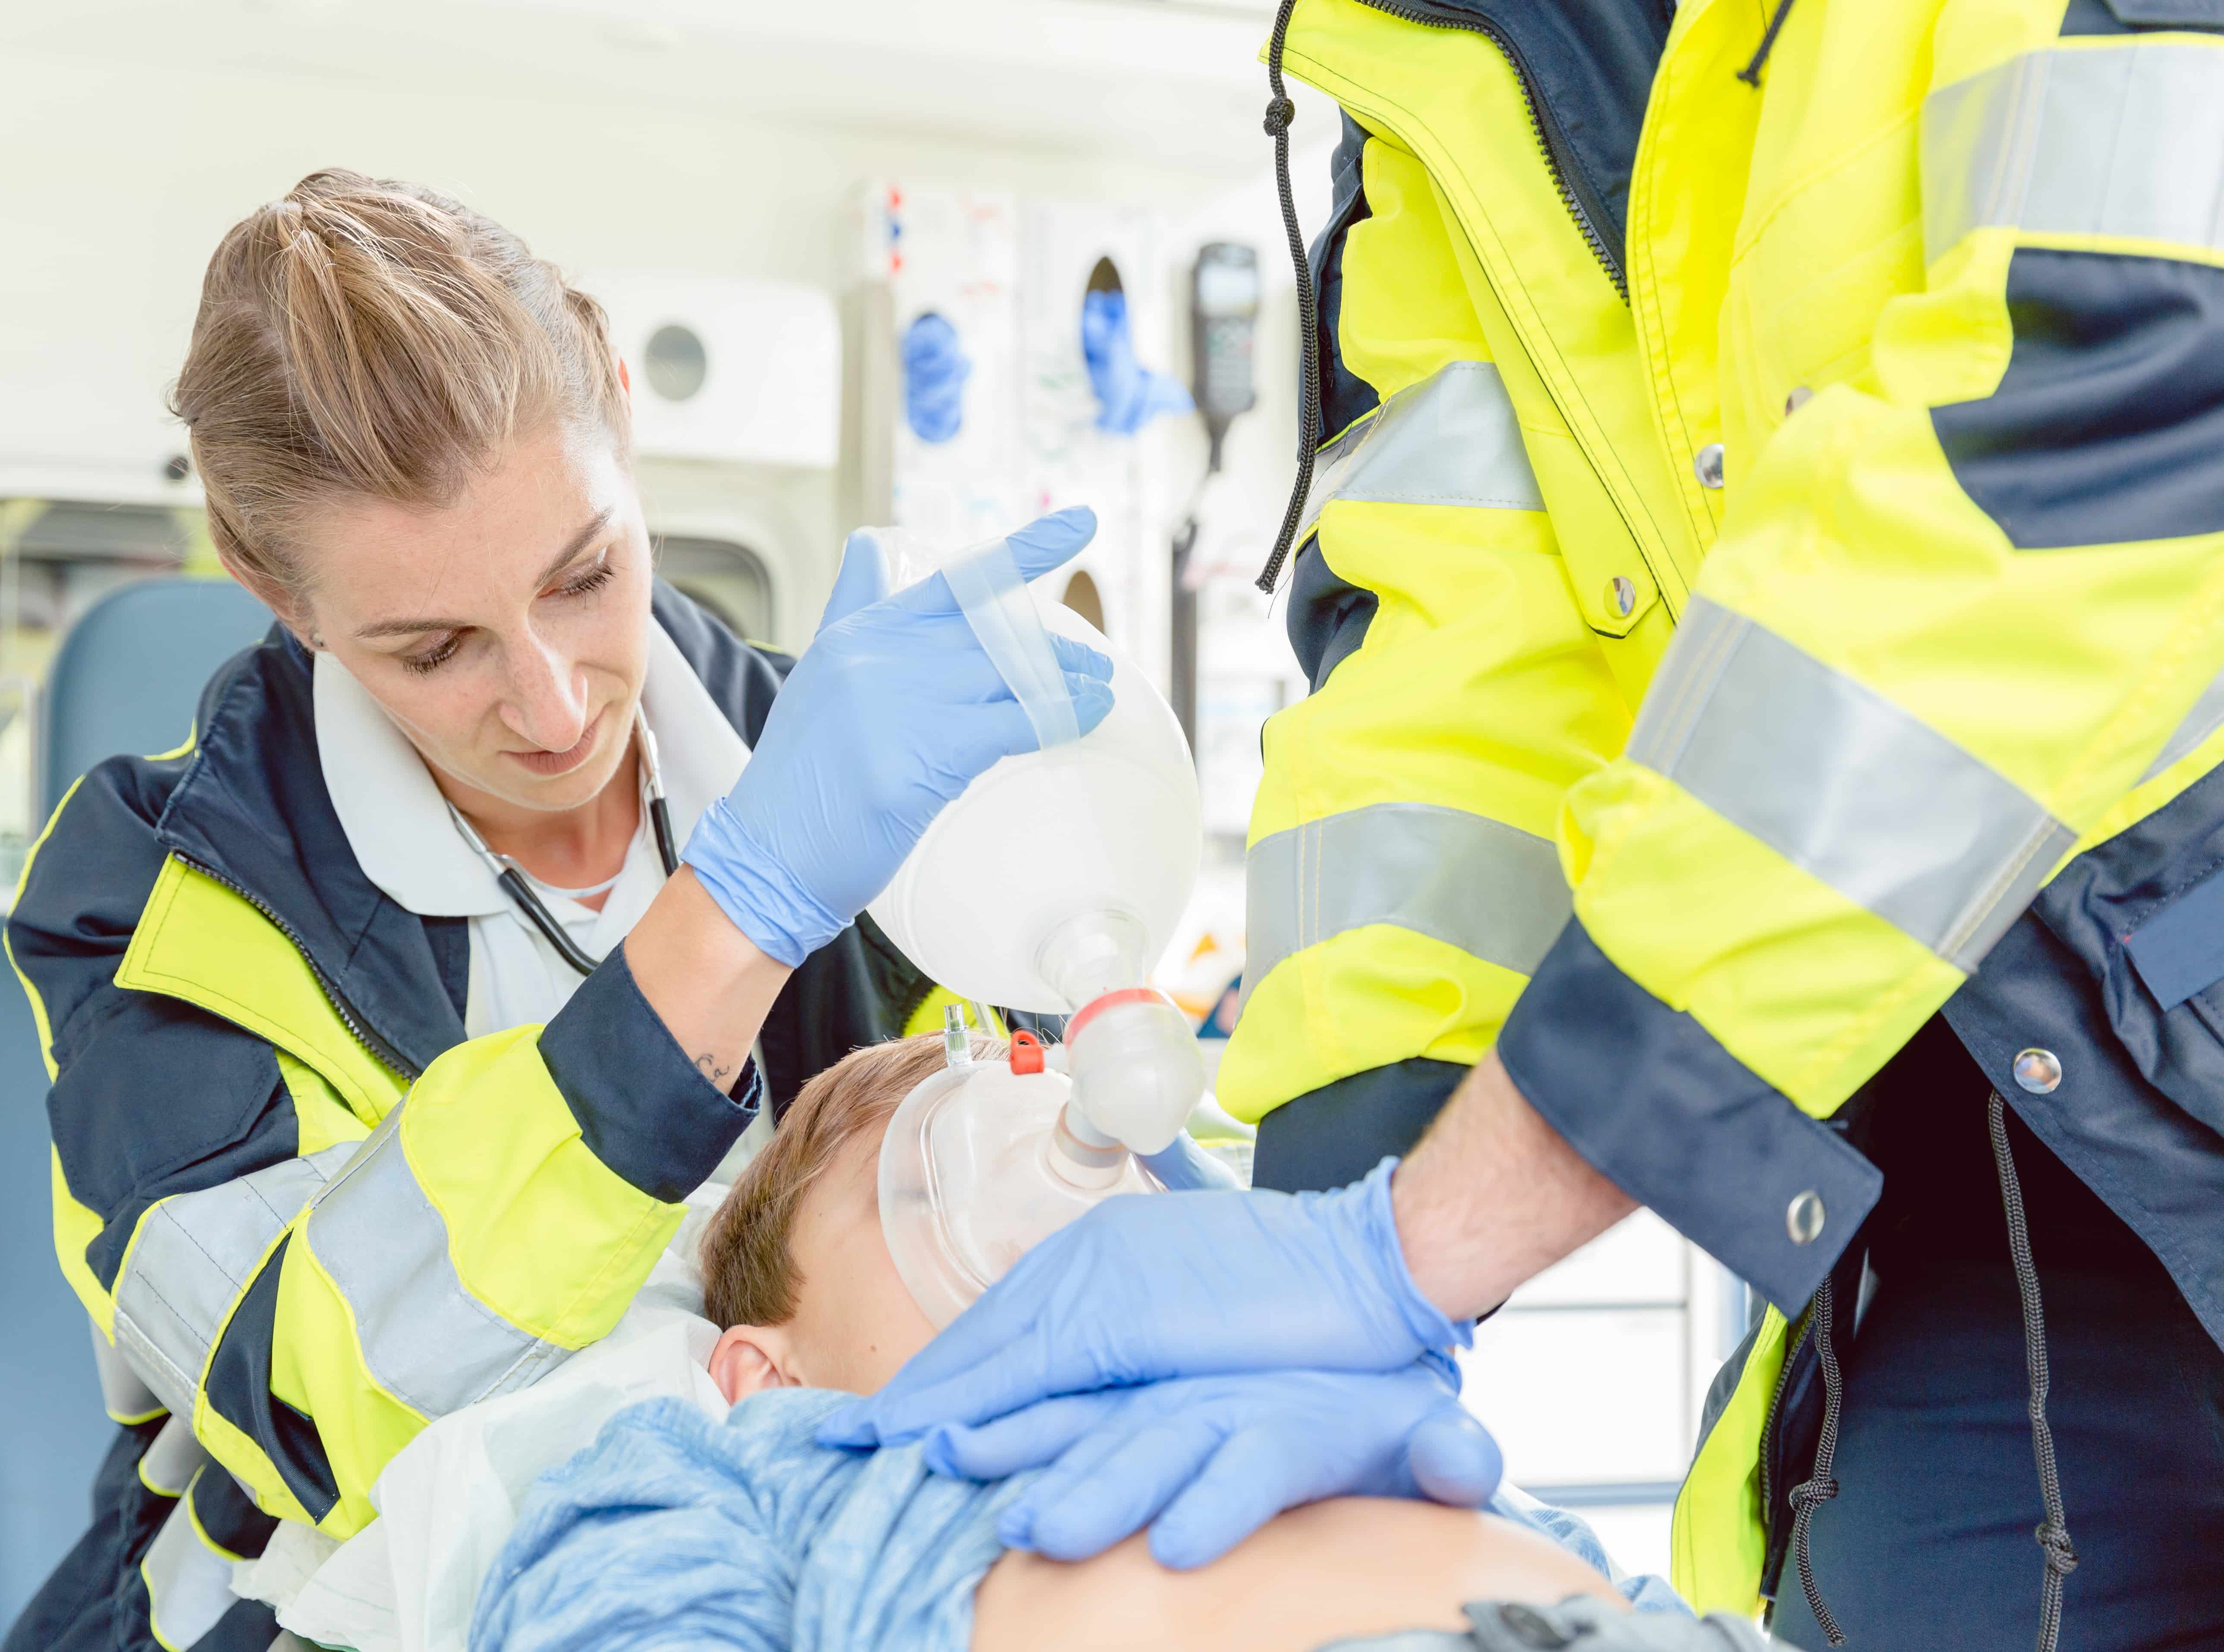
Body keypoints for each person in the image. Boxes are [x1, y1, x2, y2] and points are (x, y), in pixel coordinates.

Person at [826, 4, 2224, 1648]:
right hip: (1960, 1112)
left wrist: (1411, 1247)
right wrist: (1333, 1226)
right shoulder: (1442, 52)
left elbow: (2109, 435)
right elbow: (1461, 661)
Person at [0, 169, 1112, 1652]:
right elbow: (309, 1401)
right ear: (277, 589)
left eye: (587, 574)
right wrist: (736, 918)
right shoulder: (148, 896)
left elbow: (1031, 1166)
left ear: (626, 437)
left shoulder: (836, 766)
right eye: (435, 647)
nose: (551, 699)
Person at [470, 1034, 1780, 1652]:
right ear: (766, 1371)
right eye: (935, 1187)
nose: (1059, 1207)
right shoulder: (739, 1468)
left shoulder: (1337, 1424)